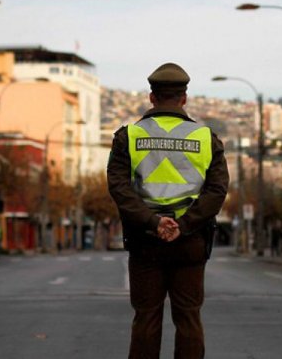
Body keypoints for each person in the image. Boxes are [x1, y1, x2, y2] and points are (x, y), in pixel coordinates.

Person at [107, 62, 229, 359]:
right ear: (184, 97)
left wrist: (153, 222)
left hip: (145, 240)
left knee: (146, 317)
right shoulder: (206, 139)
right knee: (188, 318)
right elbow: (216, 191)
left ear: (151, 97)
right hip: (189, 242)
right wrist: (183, 225)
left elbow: (119, 189)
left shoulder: (128, 137)